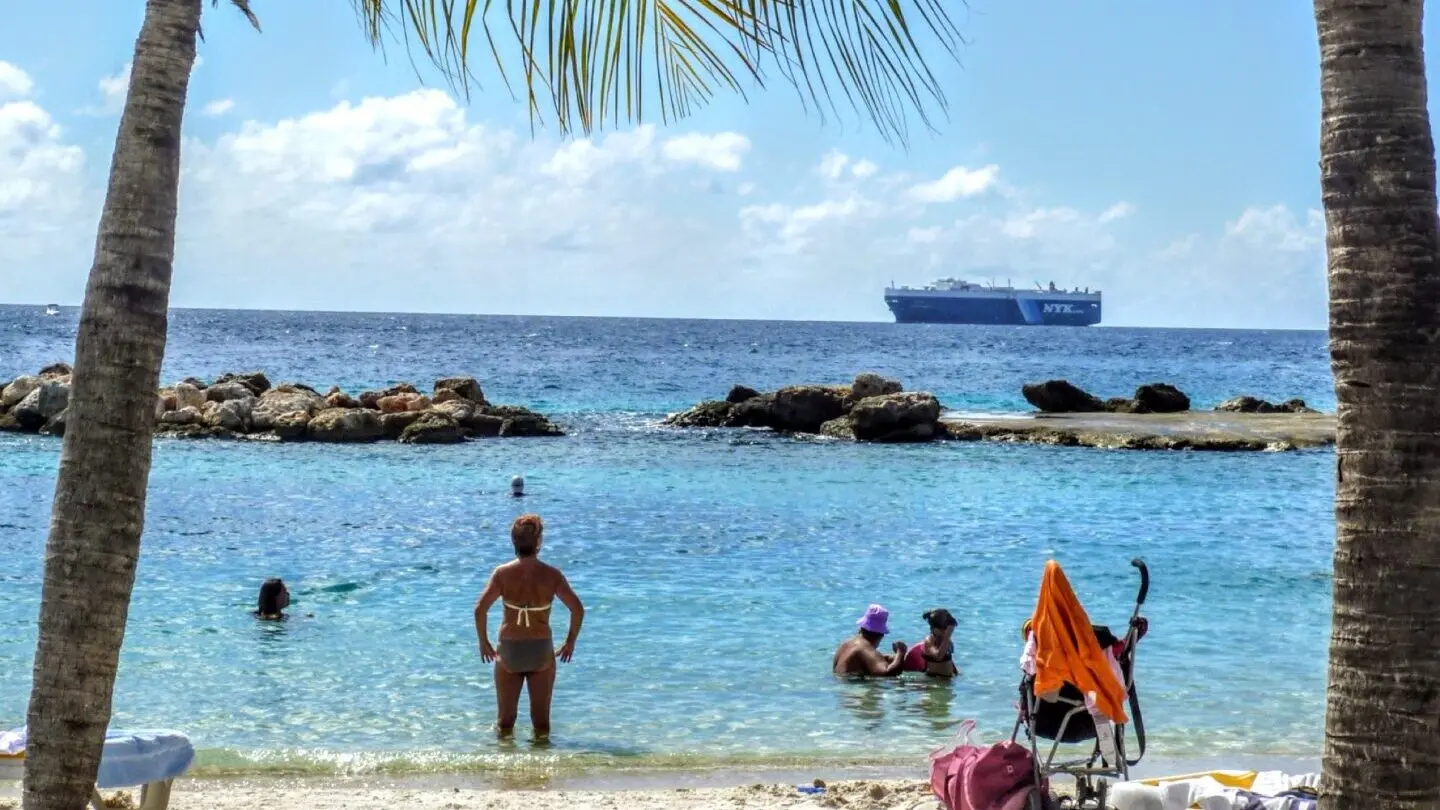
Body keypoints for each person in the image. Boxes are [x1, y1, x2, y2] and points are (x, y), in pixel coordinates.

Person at [475, 514, 584, 737]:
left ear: (513, 542)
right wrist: (570, 642)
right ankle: (541, 768)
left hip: (509, 650)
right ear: (539, 542)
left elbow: (480, 609)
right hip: (541, 650)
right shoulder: (552, 575)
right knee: (541, 722)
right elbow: (577, 609)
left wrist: (484, 643)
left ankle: (505, 767)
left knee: (505, 721)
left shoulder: (502, 573)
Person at [832, 604, 907, 677]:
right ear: (880, 634)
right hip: (854, 689)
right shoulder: (865, 648)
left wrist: (893, 658)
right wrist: (901, 652)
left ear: (862, 626)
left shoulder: (847, 644)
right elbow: (887, 673)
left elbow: (868, 658)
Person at [902, 608, 960, 677]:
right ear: (934, 629)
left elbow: (949, 659)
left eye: (947, 629)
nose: (946, 632)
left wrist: (956, 673)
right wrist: (947, 637)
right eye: (944, 629)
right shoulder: (929, 640)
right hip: (934, 679)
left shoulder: (946, 640)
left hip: (947, 680)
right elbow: (938, 656)